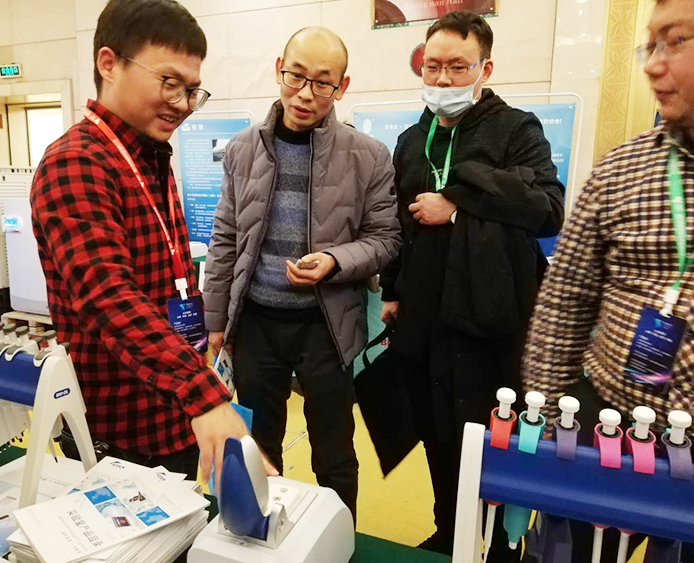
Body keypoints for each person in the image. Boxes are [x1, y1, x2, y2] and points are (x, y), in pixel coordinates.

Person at [31, 0, 261, 485]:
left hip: (171, 410)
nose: (182, 103)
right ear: (109, 64)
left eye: (192, 90)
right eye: (169, 82)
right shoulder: (77, 161)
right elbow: (109, 297)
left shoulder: (149, 156)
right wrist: (203, 394)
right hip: (123, 431)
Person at [378, 11, 564, 557]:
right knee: (436, 435)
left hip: (490, 324)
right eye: (432, 66)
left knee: (493, 440)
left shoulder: (517, 129)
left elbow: (547, 210)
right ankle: (448, 532)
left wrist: (458, 205)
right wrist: (391, 291)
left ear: (485, 68)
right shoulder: (413, 139)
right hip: (424, 320)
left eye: (457, 67)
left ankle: (501, 547)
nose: (442, 79)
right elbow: (399, 223)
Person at [203, 27, 401, 519]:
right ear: (279, 69)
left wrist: (334, 261)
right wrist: (215, 321)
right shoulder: (242, 149)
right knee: (257, 444)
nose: (305, 93)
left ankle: (339, 538)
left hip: (327, 327)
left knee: (334, 451)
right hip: (257, 325)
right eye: (296, 76)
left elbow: (386, 240)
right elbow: (225, 239)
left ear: (342, 86)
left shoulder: (368, 155)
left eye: (322, 82)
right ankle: (255, 533)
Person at [522, 0, 694, 560]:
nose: (653, 64)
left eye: (676, 41)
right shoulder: (621, 170)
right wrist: (550, 430)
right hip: (609, 429)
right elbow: (562, 307)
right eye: (651, 45)